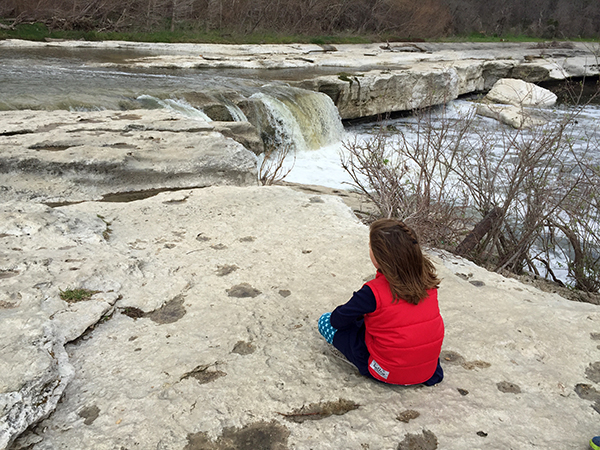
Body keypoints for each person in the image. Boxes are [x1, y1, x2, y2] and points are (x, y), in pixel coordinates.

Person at [318, 218, 444, 386]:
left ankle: (382, 370)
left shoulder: (372, 292)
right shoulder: (429, 282)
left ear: (379, 257)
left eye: (370, 247)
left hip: (386, 371)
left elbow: (337, 320)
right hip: (428, 372)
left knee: (325, 321)